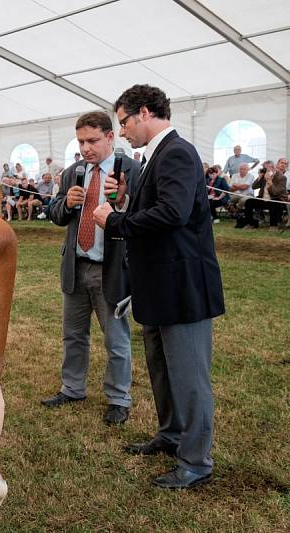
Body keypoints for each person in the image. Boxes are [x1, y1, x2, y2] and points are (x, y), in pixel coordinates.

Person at [95, 84, 224, 489]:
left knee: (188, 377)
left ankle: (196, 462)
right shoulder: (157, 157)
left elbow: (173, 212)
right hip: (158, 287)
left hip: (182, 288)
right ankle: (171, 435)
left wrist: (115, 222)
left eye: (125, 122)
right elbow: (160, 210)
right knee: (162, 370)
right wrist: (127, 204)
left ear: (145, 113)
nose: (125, 131)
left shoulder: (178, 153)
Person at [42, 111, 139, 426]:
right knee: (73, 335)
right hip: (76, 266)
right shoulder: (72, 173)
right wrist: (67, 203)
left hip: (110, 269)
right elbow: (55, 214)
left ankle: (118, 398)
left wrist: (121, 202)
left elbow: (142, 218)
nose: (85, 148)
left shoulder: (132, 171)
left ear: (110, 138)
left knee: (116, 339)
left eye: (92, 141)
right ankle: (72, 388)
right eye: (81, 141)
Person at [239, 157, 288, 230]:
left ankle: (273, 226)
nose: (267, 169)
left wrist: (269, 182)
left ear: (274, 166)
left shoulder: (282, 177)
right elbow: (254, 186)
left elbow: (275, 193)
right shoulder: (264, 175)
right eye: (266, 167)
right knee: (249, 202)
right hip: (263, 198)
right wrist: (260, 177)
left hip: (276, 199)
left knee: (274, 203)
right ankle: (250, 224)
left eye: (269, 167)